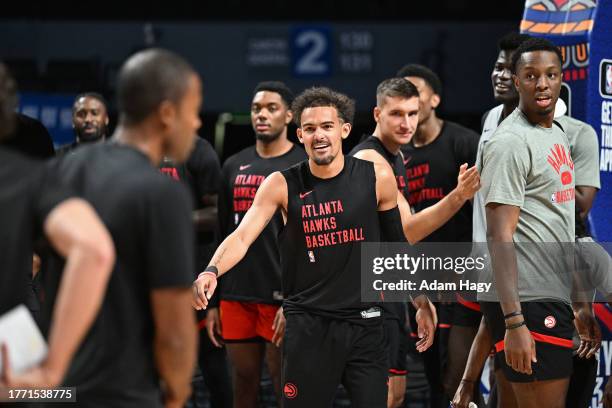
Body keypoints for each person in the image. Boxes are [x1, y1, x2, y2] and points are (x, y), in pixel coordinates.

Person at [193, 86, 436, 407]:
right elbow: (241, 235)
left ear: (344, 130)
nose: (319, 135)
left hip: (365, 326)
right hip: (308, 327)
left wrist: (419, 300)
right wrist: (212, 269)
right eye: (310, 129)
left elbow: (395, 246)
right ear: (300, 135)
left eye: (327, 126)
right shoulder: (280, 184)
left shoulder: (377, 176)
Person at [41, 48, 200, 407]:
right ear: (167, 113)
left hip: (56, 389)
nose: (197, 123)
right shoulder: (163, 192)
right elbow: (174, 328)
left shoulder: (61, 169)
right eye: (193, 110)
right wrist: (176, 393)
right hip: (123, 393)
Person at [349, 77, 479, 408]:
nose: (406, 123)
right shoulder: (371, 161)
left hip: (382, 286)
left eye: (412, 113)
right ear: (377, 113)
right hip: (361, 294)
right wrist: (459, 195)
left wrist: (418, 298)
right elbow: (407, 232)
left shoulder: (394, 158)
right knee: (382, 395)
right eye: (396, 114)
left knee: (394, 394)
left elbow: (393, 241)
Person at [0, 62, 115, 392]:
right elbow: (94, 251)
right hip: (16, 299)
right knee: (39, 391)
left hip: (19, 289)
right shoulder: (28, 176)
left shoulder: (33, 148)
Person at [479, 37, 576, 408]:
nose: (542, 84)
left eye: (551, 75)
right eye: (531, 75)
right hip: (530, 301)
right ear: (516, 81)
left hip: (552, 296)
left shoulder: (555, 133)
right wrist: (515, 322)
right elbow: (499, 235)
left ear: (560, 79)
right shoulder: (509, 143)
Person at [205, 81, 306, 407]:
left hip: (281, 294)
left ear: (289, 115)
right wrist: (215, 302)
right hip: (236, 293)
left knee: (284, 385)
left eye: (271, 108)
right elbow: (223, 230)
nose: (262, 115)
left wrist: (295, 300)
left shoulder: (304, 165)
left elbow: (313, 239)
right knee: (243, 383)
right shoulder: (233, 165)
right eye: (256, 109)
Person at [396, 63, 481, 407]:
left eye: (414, 92)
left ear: (434, 99)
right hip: (420, 276)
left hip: (464, 271)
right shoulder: (395, 154)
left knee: (458, 377)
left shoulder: (464, 142)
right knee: (432, 376)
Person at [159, 137, 232, 408]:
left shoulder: (199, 150)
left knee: (214, 369)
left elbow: (218, 213)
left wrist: (175, 220)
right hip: (150, 280)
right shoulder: (136, 148)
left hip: (194, 277)